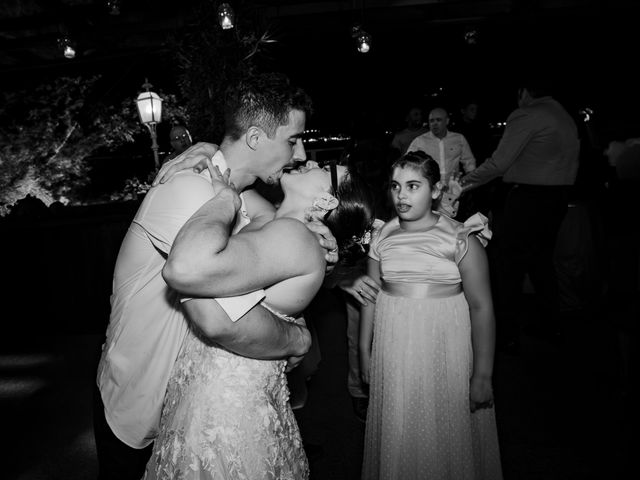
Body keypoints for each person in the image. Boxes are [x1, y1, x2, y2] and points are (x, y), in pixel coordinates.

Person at [94, 72, 337, 480]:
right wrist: (297, 337)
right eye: (292, 139)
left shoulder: (233, 192)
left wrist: (320, 238)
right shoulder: (190, 192)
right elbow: (221, 319)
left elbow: (270, 226)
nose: (301, 151)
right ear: (257, 139)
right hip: (139, 395)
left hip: (186, 399)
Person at [144, 160, 376, 479]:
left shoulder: (294, 235)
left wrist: (225, 200)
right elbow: (242, 171)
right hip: (224, 392)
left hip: (225, 405)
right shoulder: (282, 225)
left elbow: (189, 280)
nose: (309, 160)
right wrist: (209, 150)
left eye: (322, 167)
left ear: (328, 199)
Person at [359, 150, 502, 480]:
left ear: (436, 190)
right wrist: (364, 350)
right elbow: (370, 294)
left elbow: (482, 307)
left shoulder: (461, 238)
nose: (401, 196)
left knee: (444, 417)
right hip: (394, 345)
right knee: (401, 417)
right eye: (395, 187)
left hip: (444, 344)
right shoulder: (380, 235)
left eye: (413, 186)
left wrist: (482, 374)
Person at [460, 81, 580, 354]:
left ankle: (504, 333)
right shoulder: (564, 116)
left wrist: (462, 184)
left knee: (508, 267)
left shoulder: (527, 114)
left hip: (529, 200)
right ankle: (552, 324)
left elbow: (498, 164)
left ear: (525, 92)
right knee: (541, 262)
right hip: (559, 198)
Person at [407, 107, 476, 218]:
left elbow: (469, 164)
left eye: (438, 120)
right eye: (431, 121)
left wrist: (467, 186)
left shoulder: (458, 139)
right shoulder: (420, 141)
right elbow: (407, 165)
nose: (434, 123)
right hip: (430, 195)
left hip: (453, 193)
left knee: (453, 225)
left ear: (447, 121)